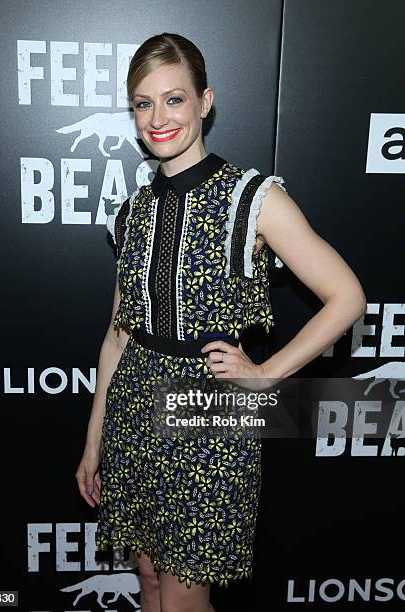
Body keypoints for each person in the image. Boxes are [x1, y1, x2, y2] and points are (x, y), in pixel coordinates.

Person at [76, 32, 366, 612]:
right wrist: (93, 441)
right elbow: (117, 335)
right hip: (132, 407)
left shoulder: (252, 197)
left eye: (174, 99)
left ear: (205, 102)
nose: (158, 118)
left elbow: (347, 297)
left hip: (207, 411)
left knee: (184, 599)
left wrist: (265, 375)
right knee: (152, 585)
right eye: (143, 102)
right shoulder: (132, 211)